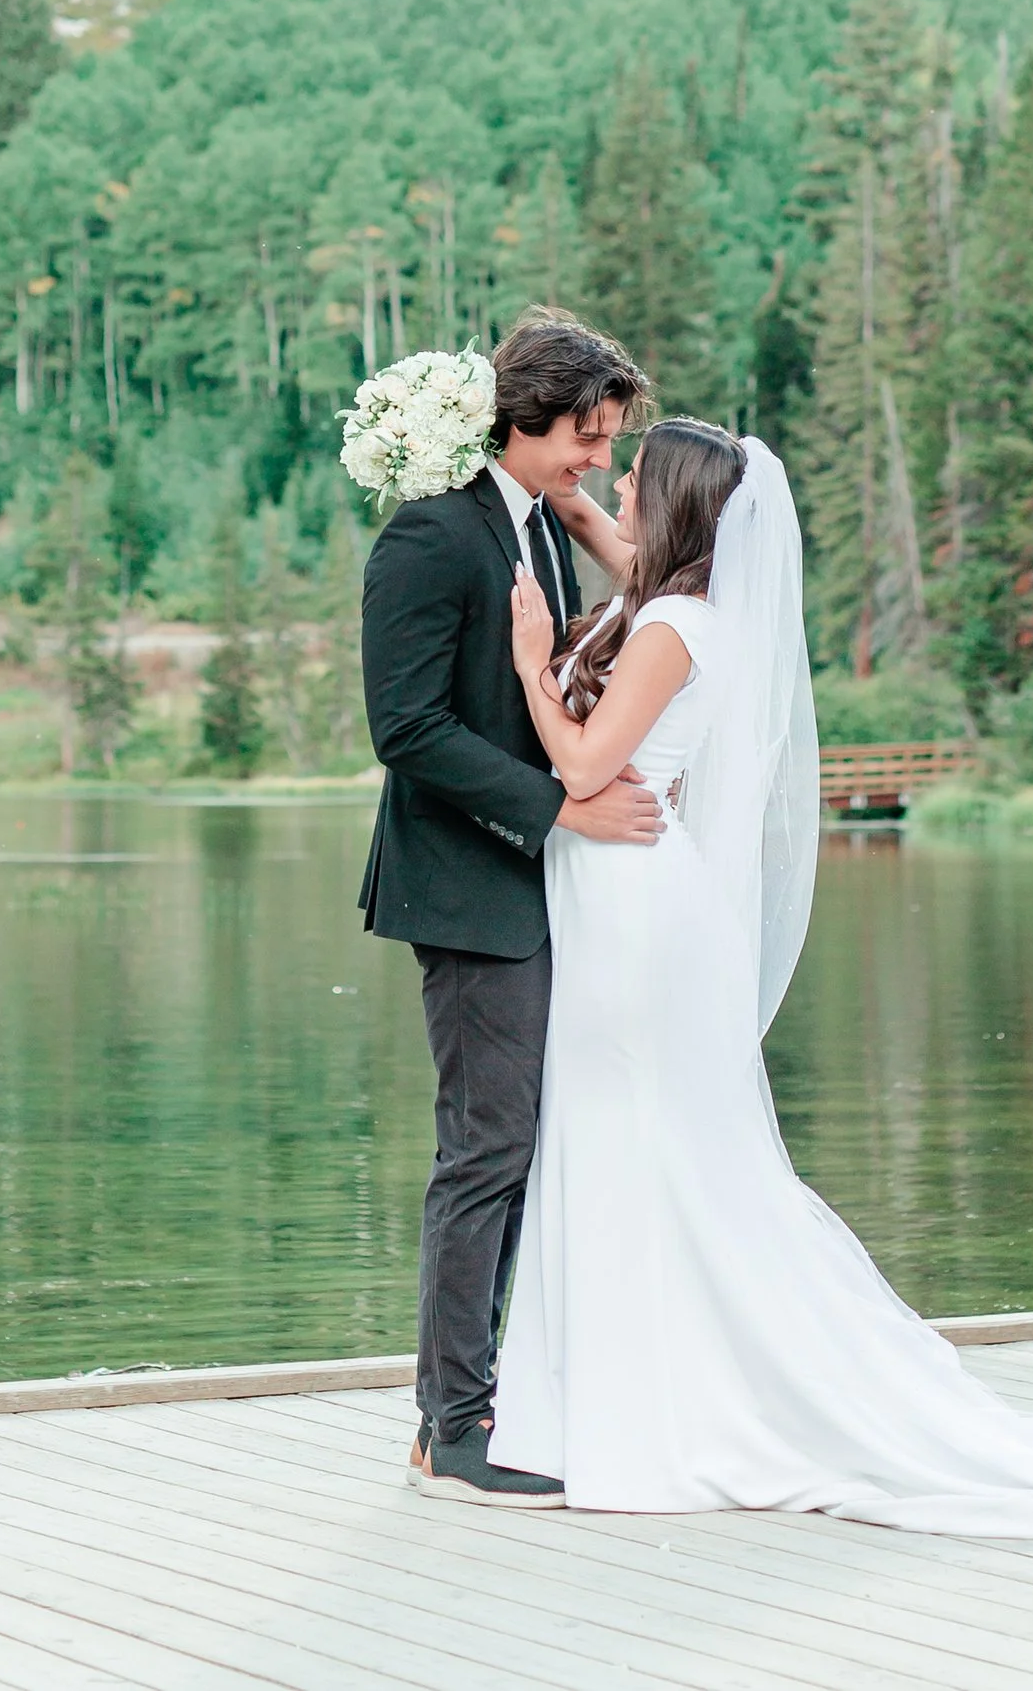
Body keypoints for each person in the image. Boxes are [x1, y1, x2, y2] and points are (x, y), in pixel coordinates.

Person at [488, 417, 1033, 1542]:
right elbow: (611, 541)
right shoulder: (686, 607)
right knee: (633, 1140)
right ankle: (615, 1401)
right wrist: (541, 484)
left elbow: (583, 764)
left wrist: (530, 662)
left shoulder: (668, 630)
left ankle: (650, 1407)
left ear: (679, 509)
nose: (617, 491)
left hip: (635, 914)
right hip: (627, 905)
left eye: (635, 480)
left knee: (641, 1140)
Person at [356, 307, 661, 1505]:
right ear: (524, 420)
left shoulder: (534, 521)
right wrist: (558, 809)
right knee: (485, 1151)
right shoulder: (429, 535)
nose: (599, 456)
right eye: (588, 436)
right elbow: (406, 729)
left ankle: (478, 1404)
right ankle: (452, 1426)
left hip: (533, 887)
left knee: (517, 1147)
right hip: (466, 885)